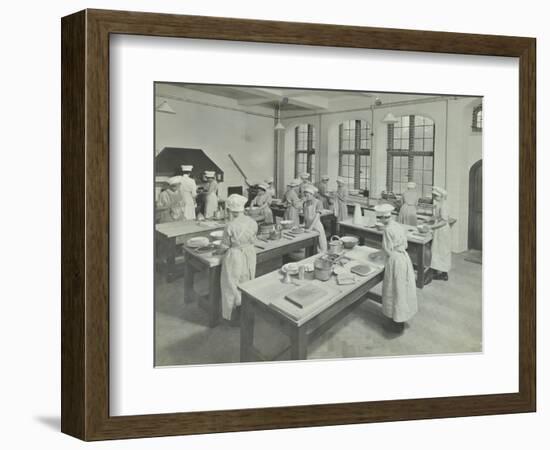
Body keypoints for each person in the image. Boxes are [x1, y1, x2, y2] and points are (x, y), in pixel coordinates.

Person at [375, 203, 418, 331]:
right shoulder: (397, 225)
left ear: (382, 218)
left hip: (395, 260)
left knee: (393, 289)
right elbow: (404, 244)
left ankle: (396, 323)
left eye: (379, 218)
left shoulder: (387, 230)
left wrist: (379, 256)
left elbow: (387, 249)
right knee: (402, 289)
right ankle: (401, 318)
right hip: (404, 258)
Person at [220, 194, 258, 323]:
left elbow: (225, 246)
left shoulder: (230, 225)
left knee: (231, 284)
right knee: (247, 281)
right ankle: (247, 313)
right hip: (249, 253)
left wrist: (218, 251)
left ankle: (233, 317)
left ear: (230, 210)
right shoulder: (252, 222)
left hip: (235, 255)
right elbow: (253, 239)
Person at [430, 186, 452, 281]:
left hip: (442, 230)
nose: (434, 198)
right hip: (438, 229)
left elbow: (444, 221)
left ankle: (444, 273)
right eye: (434, 196)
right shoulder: (439, 203)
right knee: (436, 250)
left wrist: (431, 227)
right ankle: (436, 269)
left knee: (443, 251)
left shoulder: (444, 205)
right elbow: (437, 216)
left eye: (436, 196)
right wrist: (430, 219)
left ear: (441, 196)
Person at [302, 185, 327, 252]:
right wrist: (304, 224)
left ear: (312, 194)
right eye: (305, 195)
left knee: (321, 245)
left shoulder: (318, 202)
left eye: (307, 196)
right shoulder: (305, 203)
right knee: (310, 247)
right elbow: (305, 215)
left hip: (316, 226)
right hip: (308, 226)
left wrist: (311, 228)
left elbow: (317, 217)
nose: (306, 197)